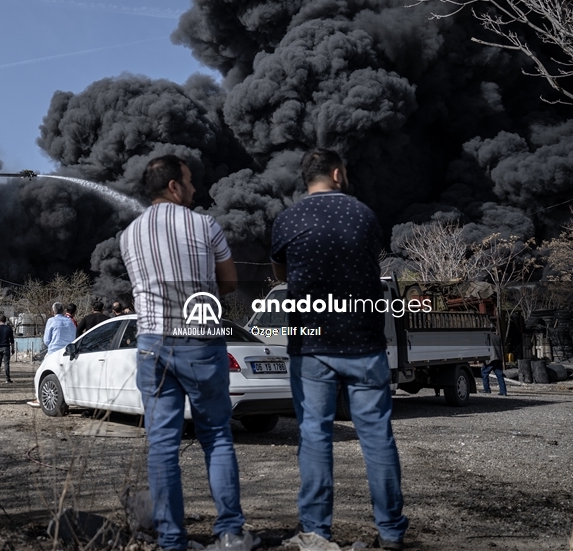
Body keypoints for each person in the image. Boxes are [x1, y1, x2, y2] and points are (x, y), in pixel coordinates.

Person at [270, 149, 408, 551]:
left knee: (314, 436)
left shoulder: (287, 220)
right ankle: (391, 532)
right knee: (377, 436)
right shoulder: (363, 215)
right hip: (364, 343)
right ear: (336, 174)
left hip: (311, 345)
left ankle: (316, 531)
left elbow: (281, 272)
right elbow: (369, 260)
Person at [119, 154, 250, 551]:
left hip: (152, 344)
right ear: (174, 187)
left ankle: (171, 540)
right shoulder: (204, 225)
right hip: (199, 339)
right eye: (189, 181)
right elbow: (230, 282)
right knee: (217, 435)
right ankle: (230, 533)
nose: (194, 188)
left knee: (162, 444)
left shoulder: (129, 234)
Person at [481, 327, 507, 396]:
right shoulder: (497, 337)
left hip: (491, 358)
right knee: (499, 375)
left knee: (484, 372)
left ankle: (486, 389)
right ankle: (503, 391)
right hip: (498, 358)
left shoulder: (487, 337)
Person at [0, 315, 14, 383]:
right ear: (5, 321)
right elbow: (12, 340)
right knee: (6, 364)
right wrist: (13, 349)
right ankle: (7, 379)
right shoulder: (9, 329)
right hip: (6, 347)